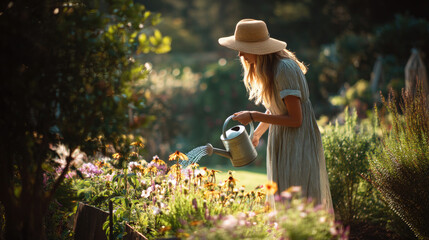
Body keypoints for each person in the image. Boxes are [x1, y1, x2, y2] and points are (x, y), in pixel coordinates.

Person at [218, 19, 333, 211]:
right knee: (286, 200)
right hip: (283, 139)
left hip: (297, 141)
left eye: (243, 48)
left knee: (298, 201)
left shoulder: (284, 69)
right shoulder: (272, 70)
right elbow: (276, 108)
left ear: (258, 48)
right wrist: (257, 134)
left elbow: (296, 120)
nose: (239, 54)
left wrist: (254, 116)